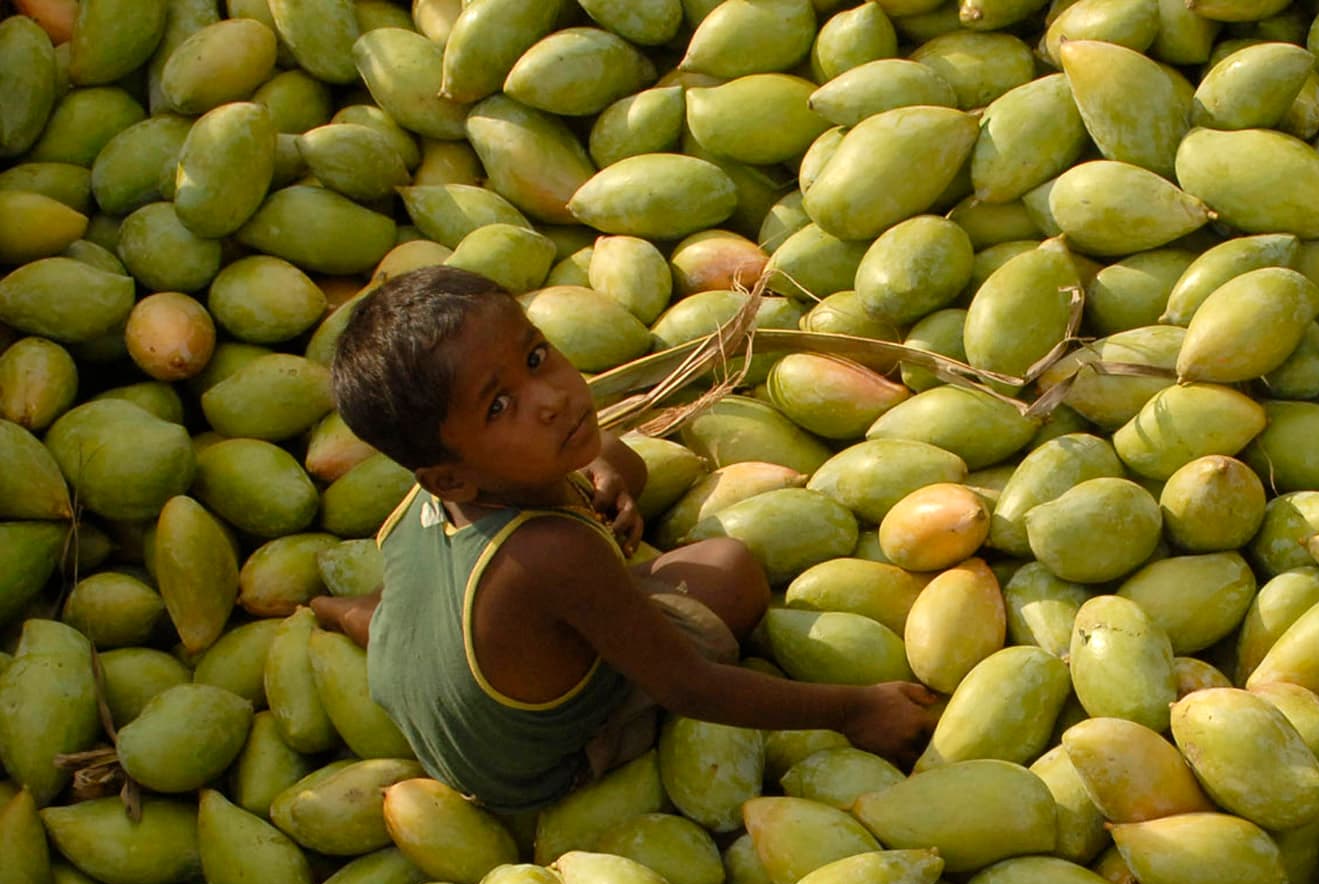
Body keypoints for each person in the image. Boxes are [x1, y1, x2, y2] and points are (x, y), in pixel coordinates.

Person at [314, 265, 937, 812]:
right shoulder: (552, 554)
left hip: (414, 661)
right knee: (730, 571)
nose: (552, 399)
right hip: (529, 773)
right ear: (449, 471)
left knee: (611, 474)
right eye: (500, 406)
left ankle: (335, 611)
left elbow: (614, 461)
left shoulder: (434, 493)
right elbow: (687, 686)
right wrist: (855, 709)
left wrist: (610, 475)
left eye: (535, 358)